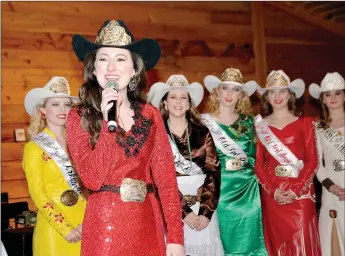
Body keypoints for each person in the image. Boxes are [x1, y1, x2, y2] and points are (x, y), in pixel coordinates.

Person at [66, 20, 184, 256]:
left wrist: (176, 238)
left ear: (134, 70)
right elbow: (92, 179)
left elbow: (167, 181)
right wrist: (110, 122)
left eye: (120, 59)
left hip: (147, 225)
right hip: (104, 229)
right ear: (93, 68)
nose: (111, 66)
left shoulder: (151, 115)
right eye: (103, 58)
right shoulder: (78, 116)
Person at [148, 74, 223, 256]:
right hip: (170, 206)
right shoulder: (156, 134)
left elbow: (213, 171)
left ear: (189, 104)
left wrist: (205, 212)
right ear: (165, 103)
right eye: (173, 97)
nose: (178, 102)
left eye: (183, 98)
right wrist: (184, 212)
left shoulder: (202, 132)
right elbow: (155, 177)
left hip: (203, 205)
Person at [254, 70, 321, 255]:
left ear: (291, 94)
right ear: (266, 97)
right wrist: (274, 190)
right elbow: (259, 165)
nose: (277, 96)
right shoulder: (260, 126)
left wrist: (296, 189)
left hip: (300, 196)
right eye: (272, 92)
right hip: (274, 195)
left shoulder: (306, 123)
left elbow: (312, 161)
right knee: (277, 245)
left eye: (282, 91)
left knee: (302, 244)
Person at [202, 68, 267, 255]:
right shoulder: (204, 122)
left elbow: (257, 158)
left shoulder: (250, 123)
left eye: (235, 89)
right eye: (225, 88)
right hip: (219, 190)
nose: (230, 94)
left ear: (241, 95)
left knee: (250, 242)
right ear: (217, 91)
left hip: (247, 192)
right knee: (223, 242)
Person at [22, 76, 86, 256]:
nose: (62, 109)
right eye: (55, 104)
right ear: (43, 109)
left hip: (84, 222)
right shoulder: (34, 147)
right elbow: (38, 194)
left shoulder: (81, 144)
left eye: (67, 104)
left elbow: (90, 186)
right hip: (54, 228)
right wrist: (65, 228)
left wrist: (87, 221)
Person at [309, 72, 345, 256]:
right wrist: (331, 187)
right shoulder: (318, 127)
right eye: (328, 94)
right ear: (322, 98)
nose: (333, 98)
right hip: (332, 190)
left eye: (337, 93)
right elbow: (316, 164)